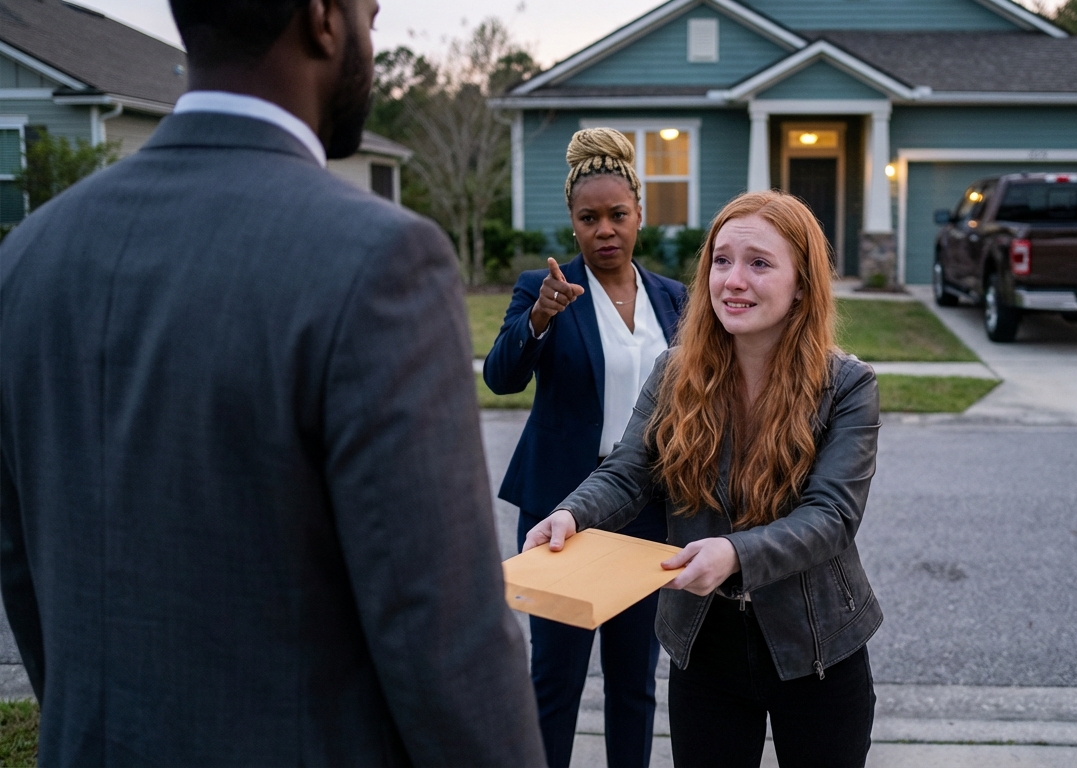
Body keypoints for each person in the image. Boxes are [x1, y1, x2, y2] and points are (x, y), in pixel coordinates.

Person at [0, 0, 543, 765]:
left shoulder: (28, 255)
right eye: (371, 14)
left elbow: (24, 574)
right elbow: (448, 644)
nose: (373, 35)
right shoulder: (378, 261)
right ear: (323, 17)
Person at [524, 190, 883, 768]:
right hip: (704, 644)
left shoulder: (847, 385)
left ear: (803, 284)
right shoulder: (675, 370)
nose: (733, 281)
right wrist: (572, 513)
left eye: (759, 263)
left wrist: (733, 554)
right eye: (721, 261)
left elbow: (831, 517)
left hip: (817, 645)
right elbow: (629, 470)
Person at [485, 127, 687, 768]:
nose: (605, 229)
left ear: (638, 216)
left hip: (646, 512)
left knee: (634, 682)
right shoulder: (544, 290)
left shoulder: (672, 299)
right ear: (572, 224)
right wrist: (539, 318)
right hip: (561, 510)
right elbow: (501, 377)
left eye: (617, 215)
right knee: (556, 682)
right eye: (589, 218)